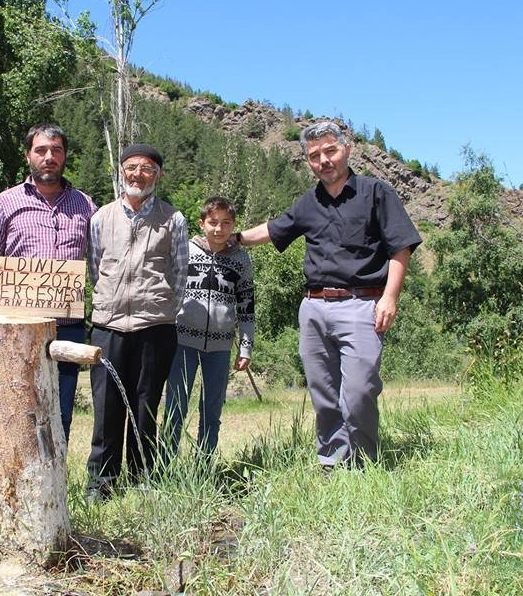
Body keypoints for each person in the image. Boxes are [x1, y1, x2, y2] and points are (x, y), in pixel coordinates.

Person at [235, 121, 421, 469]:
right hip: (314, 308)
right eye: (314, 156)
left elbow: (401, 248)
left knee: (360, 391)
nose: (324, 160)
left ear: (347, 149)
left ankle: (364, 464)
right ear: (308, 162)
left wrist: (390, 297)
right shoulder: (310, 202)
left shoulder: (376, 193)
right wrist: (233, 239)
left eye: (330, 151)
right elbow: (274, 229)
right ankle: (333, 463)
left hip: (362, 304)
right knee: (323, 394)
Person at [0, 123, 97, 443]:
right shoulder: (6, 202)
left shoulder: (86, 205)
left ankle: (56, 487)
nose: (49, 157)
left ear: (65, 156)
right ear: (28, 155)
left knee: (62, 410)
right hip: (18, 328)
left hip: (68, 324)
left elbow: (101, 259)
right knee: (18, 406)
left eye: (56, 150)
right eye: (41, 150)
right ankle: (20, 484)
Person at [85, 143, 189, 501]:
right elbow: (94, 266)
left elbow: (179, 274)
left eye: (146, 168)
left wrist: (158, 306)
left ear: (157, 175)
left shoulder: (173, 220)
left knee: (146, 406)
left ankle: (144, 478)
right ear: (121, 171)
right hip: (107, 326)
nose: (137, 174)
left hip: (155, 327)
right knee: (107, 408)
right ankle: (101, 483)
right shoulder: (100, 218)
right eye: (131, 167)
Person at [163, 196, 255, 459]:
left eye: (226, 223)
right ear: (201, 223)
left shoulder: (241, 259)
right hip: (181, 341)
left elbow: (247, 305)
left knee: (212, 408)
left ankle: (204, 466)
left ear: (234, 225)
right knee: (175, 406)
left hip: (221, 346)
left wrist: (246, 347)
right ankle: (164, 467)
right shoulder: (186, 250)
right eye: (213, 222)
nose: (219, 229)